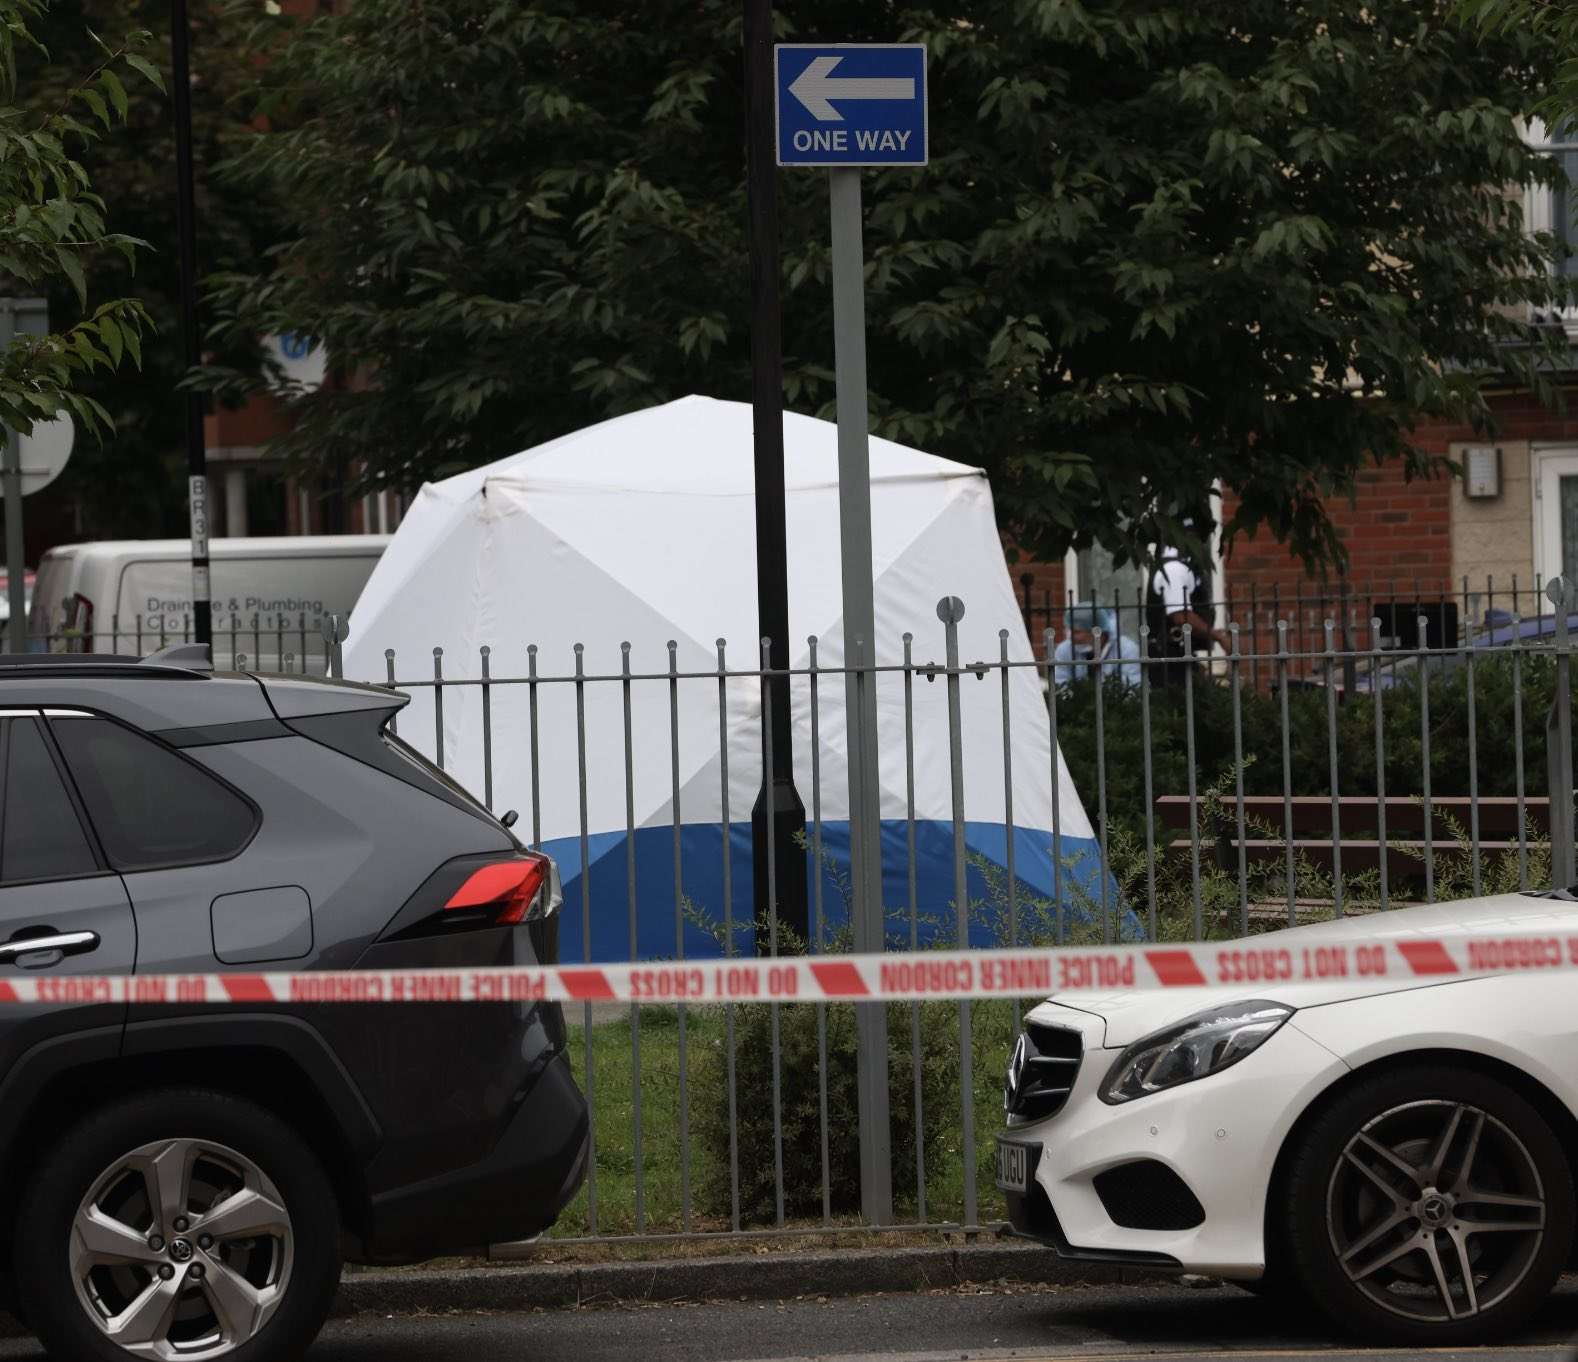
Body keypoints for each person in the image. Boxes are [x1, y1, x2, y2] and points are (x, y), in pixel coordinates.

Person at [1146, 544, 1232, 687]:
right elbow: (1181, 617)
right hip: (1169, 658)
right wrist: (1219, 637)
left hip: (1178, 654)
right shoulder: (1174, 569)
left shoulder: (1180, 564)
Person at [1053, 601, 1142, 689]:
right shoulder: (1064, 649)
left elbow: (1132, 687)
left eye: (1077, 632)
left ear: (1097, 632)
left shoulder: (1126, 649)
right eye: (1070, 630)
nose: (1071, 637)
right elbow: (1060, 685)